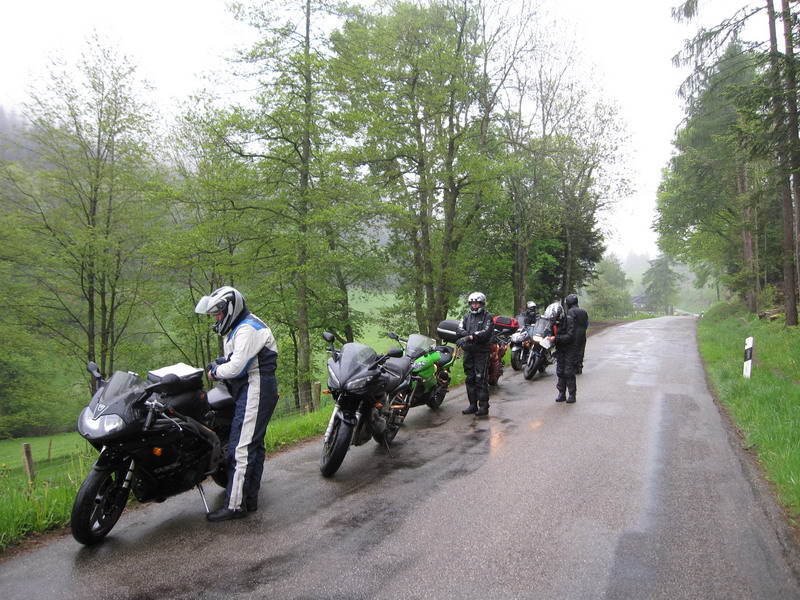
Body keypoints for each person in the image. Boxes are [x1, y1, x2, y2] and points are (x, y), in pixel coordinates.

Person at [194, 286, 279, 522]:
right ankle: (249, 499)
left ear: (231, 309)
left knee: (241, 447)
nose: (216, 318)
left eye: (218, 313)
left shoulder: (247, 328)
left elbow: (237, 367)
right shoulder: (243, 326)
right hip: (255, 387)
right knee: (253, 445)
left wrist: (215, 372)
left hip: (255, 387)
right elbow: (239, 357)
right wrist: (221, 362)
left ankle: (235, 505)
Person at [455, 292, 495, 417]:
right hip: (468, 351)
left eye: (477, 303)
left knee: (480, 378)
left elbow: (486, 332)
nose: (474, 306)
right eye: (472, 303)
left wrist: (471, 336)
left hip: (481, 351)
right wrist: (466, 335)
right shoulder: (466, 316)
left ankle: (483, 406)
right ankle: (472, 405)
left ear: (482, 304)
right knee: (470, 378)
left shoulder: (487, 316)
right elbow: (459, 329)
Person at [545, 300, 576, 404]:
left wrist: (555, 338)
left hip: (570, 349)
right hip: (560, 349)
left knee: (569, 372)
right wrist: (547, 338)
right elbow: (549, 332)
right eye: (551, 318)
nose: (553, 320)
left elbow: (569, 336)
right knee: (560, 371)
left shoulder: (569, 320)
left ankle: (572, 394)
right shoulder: (553, 323)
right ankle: (561, 393)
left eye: (554, 318)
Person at [566, 294, 589, 374]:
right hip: (583, 331)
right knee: (581, 349)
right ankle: (579, 366)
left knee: (573, 349)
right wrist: (583, 329)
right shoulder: (583, 311)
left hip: (574, 331)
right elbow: (587, 323)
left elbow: (570, 323)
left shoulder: (571, 311)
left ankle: (573, 367)